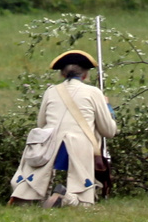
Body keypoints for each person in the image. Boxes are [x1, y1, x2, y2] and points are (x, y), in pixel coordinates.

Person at [8, 49, 118, 207]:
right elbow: (109, 130)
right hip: (80, 147)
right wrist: (108, 108)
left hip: (51, 146)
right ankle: (67, 198)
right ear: (85, 75)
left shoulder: (51, 91)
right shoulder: (94, 92)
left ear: (62, 74)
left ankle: (27, 197)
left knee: (31, 179)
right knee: (82, 200)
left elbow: (41, 124)